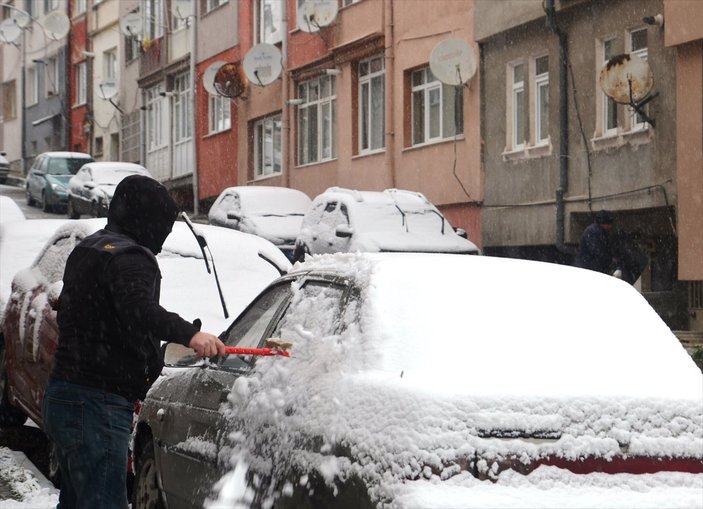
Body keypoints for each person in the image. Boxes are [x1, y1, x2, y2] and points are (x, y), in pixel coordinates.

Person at [42, 175, 225, 509]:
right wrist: (190, 334)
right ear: (149, 220)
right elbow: (139, 310)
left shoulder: (90, 247)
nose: (163, 237)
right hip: (96, 406)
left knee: (75, 501)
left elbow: (73, 315)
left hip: (63, 395)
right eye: (163, 226)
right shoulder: (131, 258)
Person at [574, 209, 620, 275]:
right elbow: (596, 251)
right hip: (588, 267)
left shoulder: (597, 231)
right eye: (609, 224)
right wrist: (610, 259)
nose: (611, 227)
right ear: (605, 224)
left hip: (589, 266)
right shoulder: (594, 232)